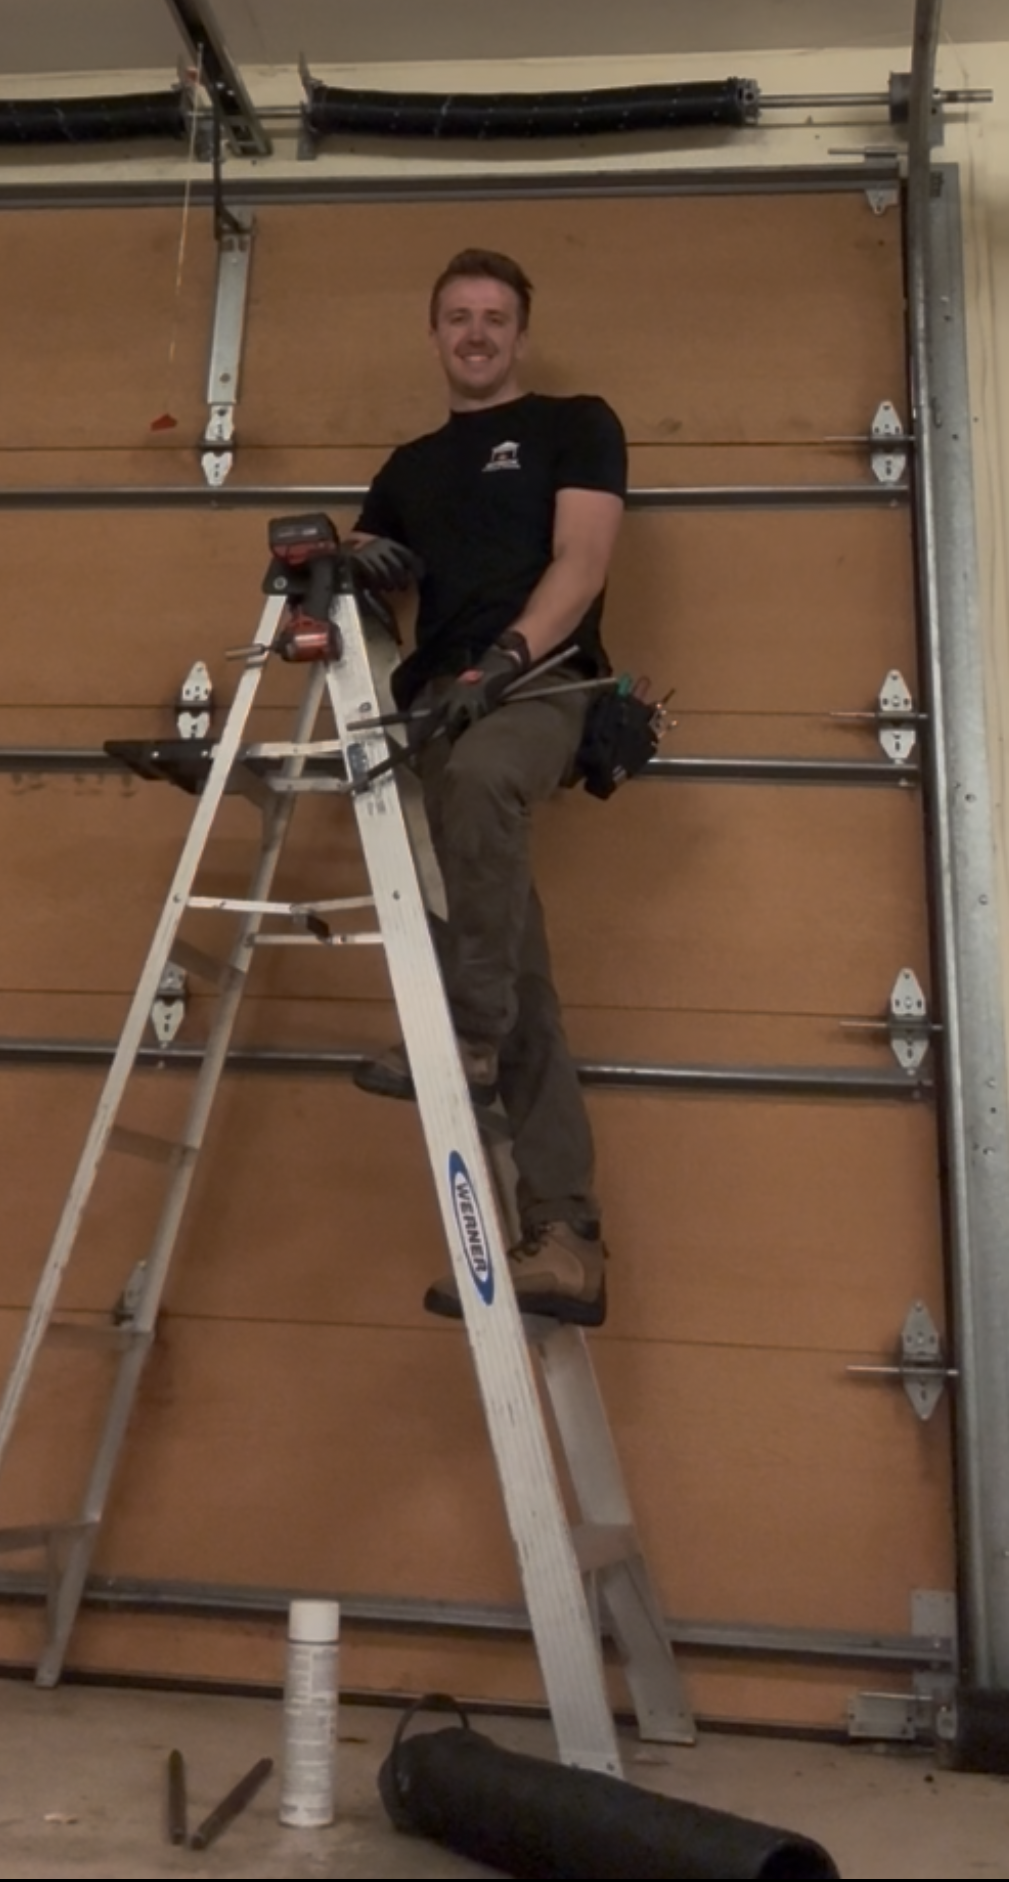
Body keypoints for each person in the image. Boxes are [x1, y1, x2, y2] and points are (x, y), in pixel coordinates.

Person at [349, 246, 627, 1326]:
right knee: (526, 978)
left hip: (539, 687)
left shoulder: (573, 423)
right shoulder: (410, 465)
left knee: (479, 783)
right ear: (435, 335)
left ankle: (462, 1037)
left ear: (519, 331)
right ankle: (568, 1237)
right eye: (458, 316)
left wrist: (503, 663)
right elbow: (361, 589)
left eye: (495, 316)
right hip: (433, 711)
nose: (476, 332)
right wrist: (332, 571)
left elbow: (584, 561)